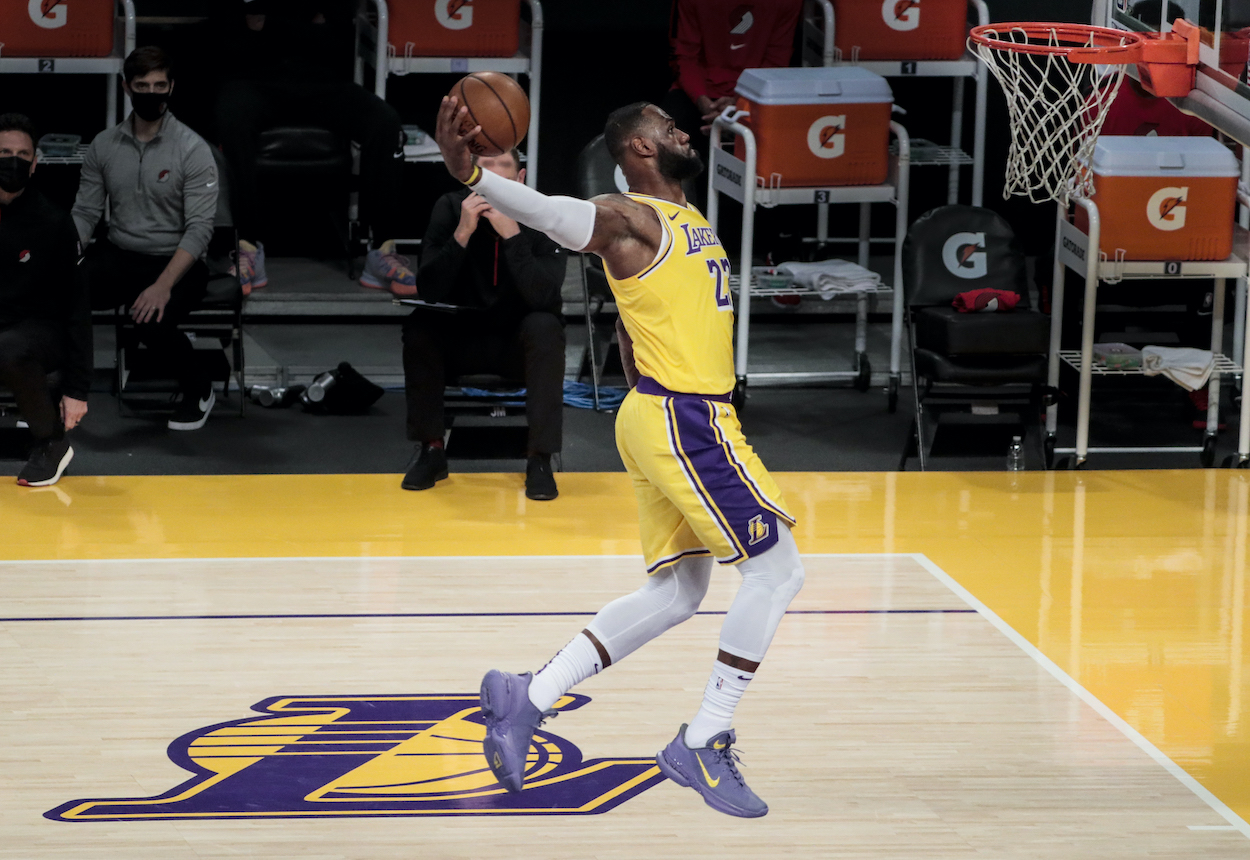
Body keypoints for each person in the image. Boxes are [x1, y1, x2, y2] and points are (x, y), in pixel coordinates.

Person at [434, 98, 806, 818]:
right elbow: (550, 212)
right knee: (778, 568)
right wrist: (475, 173)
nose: (684, 132)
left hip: (660, 412)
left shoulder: (688, 223)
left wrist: (649, 406)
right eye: (667, 127)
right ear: (637, 147)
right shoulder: (629, 216)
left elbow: (639, 327)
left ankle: (528, 697)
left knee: (678, 593)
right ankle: (704, 737)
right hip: (687, 416)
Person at [211, 0, 415, 297]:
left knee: (385, 122)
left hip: (325, 85)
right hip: (255, 82)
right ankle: (247, 248)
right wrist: (306, 29)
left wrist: (270, 25)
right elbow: (230, 42)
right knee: (230, 116)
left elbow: (335, 43)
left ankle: (381, 250)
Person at [401, 148, 566, 501]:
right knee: (420, 324)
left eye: (500, 167)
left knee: (545, 326)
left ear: (520, 179)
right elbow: (428, 289)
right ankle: (431, 450)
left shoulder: (543, 215)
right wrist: (461, 234)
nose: (489, 178)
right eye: (481, 169)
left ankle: (540, 458)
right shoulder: (449, 207)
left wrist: (513, 236)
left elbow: (546, 298)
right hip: (461, 341)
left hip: (515, 347)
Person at [72, 46, 220, 431]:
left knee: (151, 323)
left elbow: (200, 228)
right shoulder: (104, 146)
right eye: (142, 85)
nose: (151, 93)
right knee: (59, 293)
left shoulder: (192, 149)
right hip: (120, 253)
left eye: (159, 85)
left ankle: (199, 388)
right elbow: (85, 213)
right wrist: (62, 257)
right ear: (126, 87)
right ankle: (58, 388)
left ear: (171, 88)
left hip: (178, 261)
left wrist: (162, 286)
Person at [0, 114, 89, 486]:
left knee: (9, 346)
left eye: (23, 154)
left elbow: (78, 308)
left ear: (35, 164)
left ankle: (51, 442)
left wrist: (77, 390)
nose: (14, 161)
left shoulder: (53, 223)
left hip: (39, 331)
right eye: (4, 152)